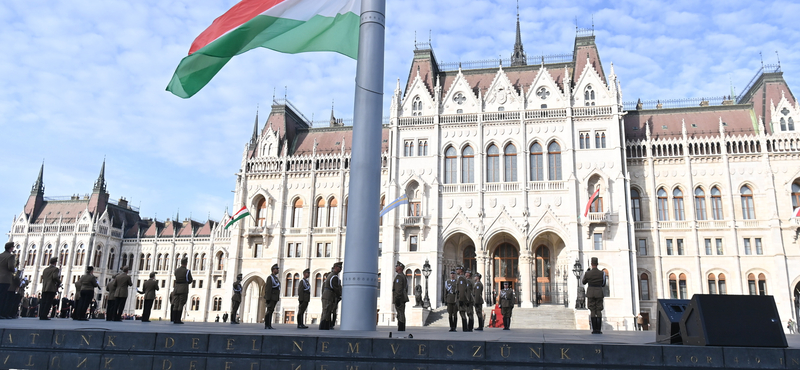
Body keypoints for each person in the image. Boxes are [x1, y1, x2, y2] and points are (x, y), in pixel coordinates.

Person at [582, 257, 607, 334]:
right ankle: (598, 329)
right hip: (599, 292)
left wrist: (587, 273)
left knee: (592, 310)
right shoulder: (602, 273)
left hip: (591, 293)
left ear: (591, 264)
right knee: (599, 310)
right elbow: (603, 284)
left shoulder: (588, 273)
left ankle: (594, 329)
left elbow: (583, 282)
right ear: (597, 263)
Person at [320, 262, 342, 330]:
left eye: (341, 267)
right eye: (339, 267)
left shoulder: (332, 275)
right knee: (326, 311)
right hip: (329, 295)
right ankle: (323, 326)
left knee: (327, 311)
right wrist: (340, 295)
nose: (340, 269)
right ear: (335, 267)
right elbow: (335, 288)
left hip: (328, 295)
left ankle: (325, 326)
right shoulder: (334, 277)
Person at [172, 257, 193, 324]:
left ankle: (174, 318)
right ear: (186, 263)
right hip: (183, 288)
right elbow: (190, 280)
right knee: (181, 303)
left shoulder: (176, 270)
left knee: (176, 304)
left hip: (176, 288)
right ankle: (178, 319)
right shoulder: (187, 271)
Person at [0, 242, 15, 319]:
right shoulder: (10, 256)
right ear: (11, 248)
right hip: (5, 279)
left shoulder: (0, 255)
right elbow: (10, 267)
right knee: (3, 297)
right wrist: (14, 270)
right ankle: (1, 313)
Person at [392, 261, 409, 332]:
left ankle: (401, 328)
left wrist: (397, 298)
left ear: (400, 268)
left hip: (400, 298)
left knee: (400, 313)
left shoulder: (399, 277)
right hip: (402, 298)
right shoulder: (403, 276)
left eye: (397, 266)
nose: (395, 267)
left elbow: (398, 289)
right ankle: (401, 327)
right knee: (401, 313)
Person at [263, 264, 280, 329]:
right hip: (271, 297)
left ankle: (269, 325)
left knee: (271, 311)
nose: (278, 270)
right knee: (269, 311)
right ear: (273, 270)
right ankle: (267, 324)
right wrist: (267, 298)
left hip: (275, 297)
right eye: (277, 269)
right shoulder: (270, 278)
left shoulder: (275, 278)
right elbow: (268, 288)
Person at [455, 266, 472, 332]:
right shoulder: (461, 278)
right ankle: (465, 327)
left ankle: (465, 328)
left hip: (461, 298)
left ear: (461, 270)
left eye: (457, 269)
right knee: (462, 313)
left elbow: (462, 290)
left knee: (462, 312)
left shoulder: (461, 278)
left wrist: (461, 299)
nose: (456, 270)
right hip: (462, 298)